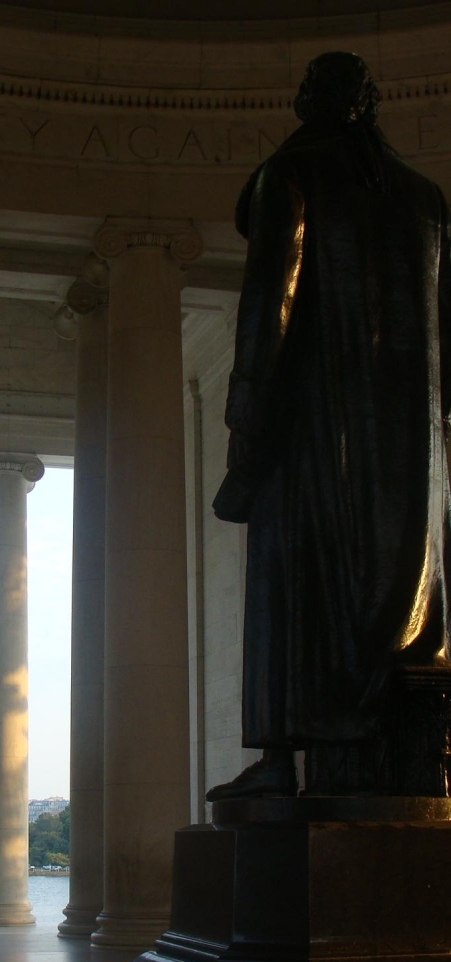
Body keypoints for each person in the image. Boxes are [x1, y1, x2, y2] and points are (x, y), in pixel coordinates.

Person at [208, 51, 451, 800]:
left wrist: (246, 428)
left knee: (292, 587)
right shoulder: (426, 199)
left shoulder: (290, 174)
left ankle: (280, 761)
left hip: (315, 428)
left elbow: (267, 311)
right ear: (368, 103)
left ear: (310, 102)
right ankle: (416, 758)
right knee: (404, 591)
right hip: (412, 445)